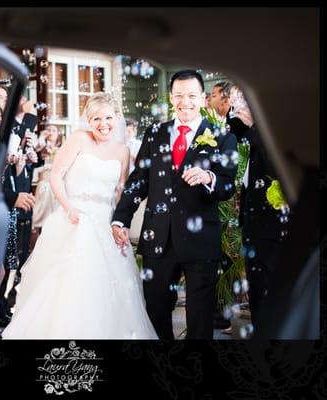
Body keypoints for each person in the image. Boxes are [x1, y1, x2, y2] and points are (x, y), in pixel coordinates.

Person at [1, 92, 157, 339]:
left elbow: (121, 192)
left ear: (117, 118)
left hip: (105, 223)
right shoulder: (78, 140)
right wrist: (68, 208)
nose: (103, 124)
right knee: (70, 282)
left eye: (108, 118)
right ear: (88, 120)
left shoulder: (122, 152)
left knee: (108, 287)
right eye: (96, 119)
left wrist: (120, 224)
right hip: (75, 219)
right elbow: (55, 176)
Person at [112, 70, 238, 340]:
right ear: (171, 97)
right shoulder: (155, 133)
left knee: (200, 318)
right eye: (179, 95)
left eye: (192, 95)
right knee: (156, 312)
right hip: (158, 237)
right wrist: (120, 218)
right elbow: (139, 180)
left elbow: (228, 186)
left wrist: (209, 177)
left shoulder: (222, 137)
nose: (185, 102)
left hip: (200, 240)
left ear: (203, 99)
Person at [230, 84, 289, 334]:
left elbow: (277, 168)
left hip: (273, 225)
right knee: (256, 288)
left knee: (271, 288)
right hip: (253, 224)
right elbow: (232, 131)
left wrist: (256, 124)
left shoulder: (280, 128)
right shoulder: (255, 128)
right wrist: (237, 111)